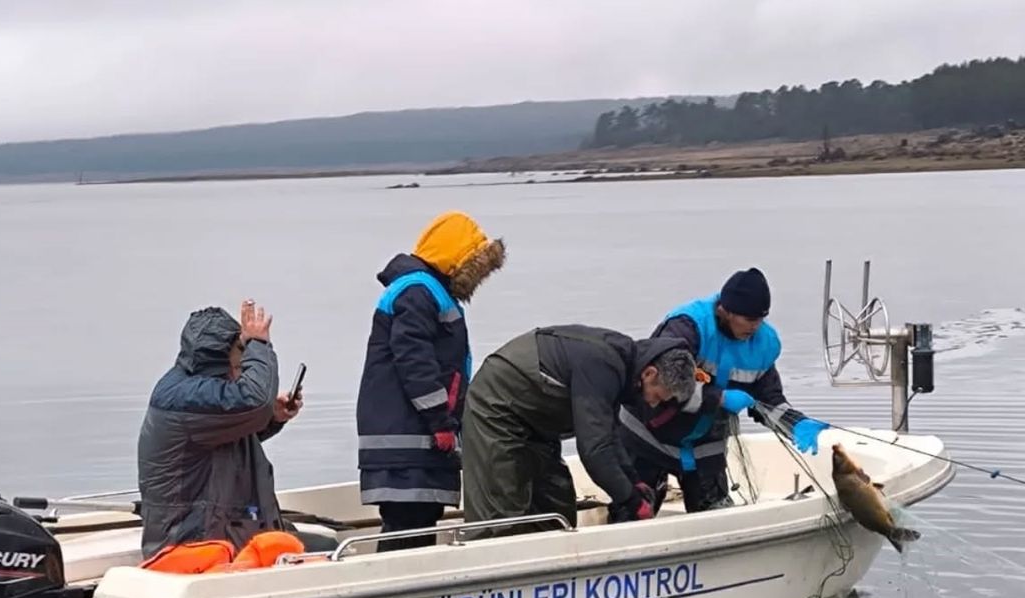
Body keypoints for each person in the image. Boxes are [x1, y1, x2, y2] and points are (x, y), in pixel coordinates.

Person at [617, 267, 830, 513]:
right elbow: (664, 387)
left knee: (716, 514)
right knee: (634, 512)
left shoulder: (763, 344)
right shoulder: (687, 328)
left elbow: (768, 398)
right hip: (646, 438)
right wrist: (719, 398)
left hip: (705, 447)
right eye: (748, 319)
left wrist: (795, 423)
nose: (755, 327)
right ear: (726, 311)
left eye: (760, 319)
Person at [136, 300, 336, 559]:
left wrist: (272, 418)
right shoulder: (186, 397)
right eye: (239, 366)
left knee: (323, 545)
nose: (240, 373)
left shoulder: (197, 393)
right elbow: (255, 401)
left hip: (218, 533)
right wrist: (258, 344)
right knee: (327, 554)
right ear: (217, 363)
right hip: (193, 545)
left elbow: (227, 439)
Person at [356, 211, 506, 551]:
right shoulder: (419, 292)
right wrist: (440, 420)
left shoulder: (422, 290)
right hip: (409, 440)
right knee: (408, 526)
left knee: (413, 522)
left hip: (408, 438)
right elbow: (415, 361)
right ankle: (395, 584)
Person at [459, 324, 699, 538]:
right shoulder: (603, 364)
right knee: (503, 514)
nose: (654, 404)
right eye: (658, 396)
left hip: (537, 426)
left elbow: (609, 436)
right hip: (496, 410)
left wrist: (634, 481)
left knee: (556, 508)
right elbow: (594, 449)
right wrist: (631, 500)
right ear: (649, 374)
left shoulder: (624, 372)